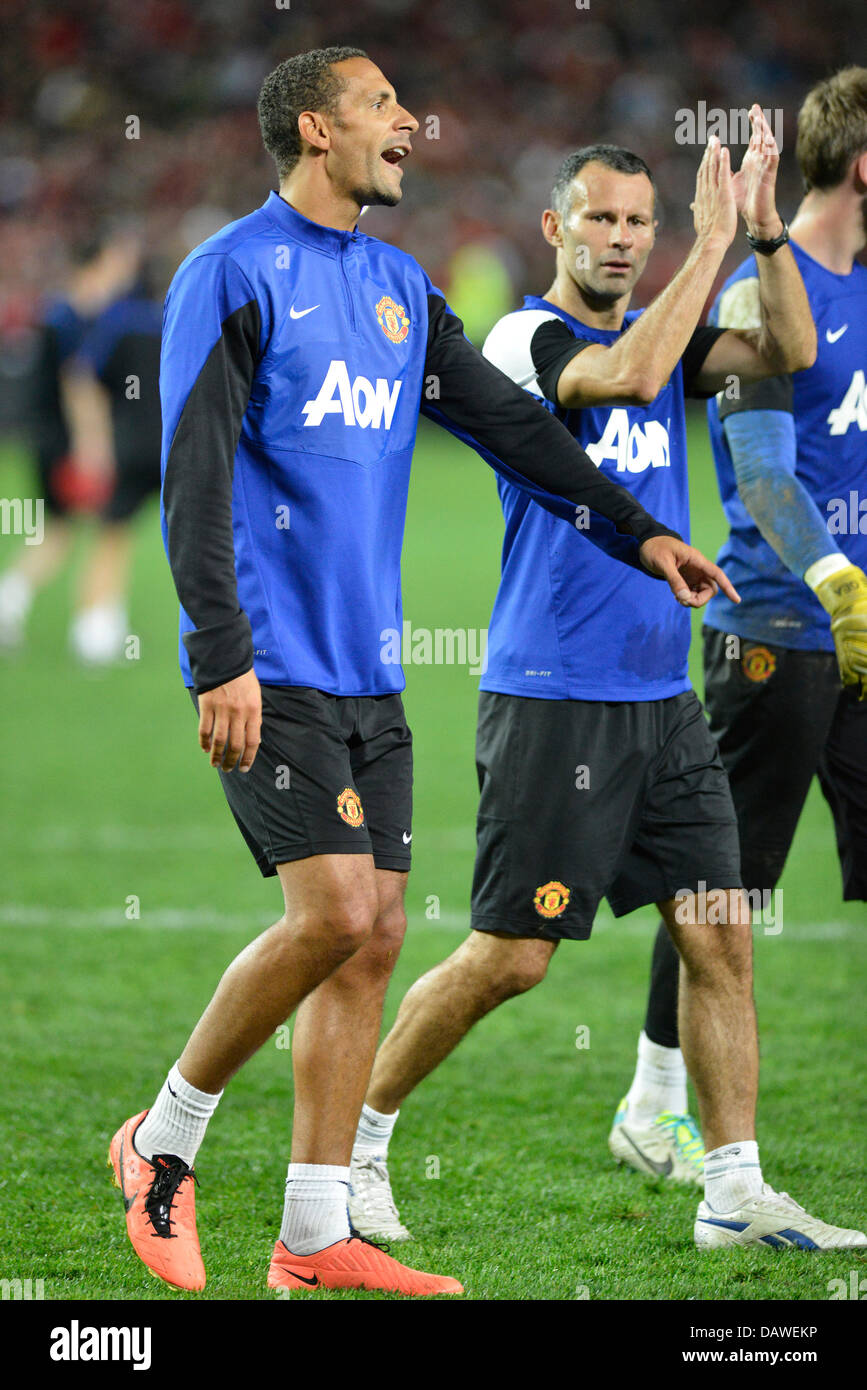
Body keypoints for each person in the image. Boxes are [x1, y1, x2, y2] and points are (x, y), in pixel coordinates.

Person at [107, 47, 727, 1298]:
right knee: (332, 913)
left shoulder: (398, 287)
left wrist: (635, 527)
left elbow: (514, 428)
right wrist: (216, 655)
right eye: (382, 106)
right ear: (311, 128)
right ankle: (161, 1139)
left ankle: (312, 1231)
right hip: (268, 664)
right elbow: (195, 478)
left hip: (370, 673)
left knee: (376, 937)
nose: (408, 123)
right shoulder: (229, 273)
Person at [348, 114, 866, 1252]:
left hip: (662, 697)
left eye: (642, 222)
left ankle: (732, 1189)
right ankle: (357, 1141)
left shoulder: (663, 320)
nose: (626, 240)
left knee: (720, 933)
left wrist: (768, 240)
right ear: (555, 227)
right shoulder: (519, 339)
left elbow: (786, 352)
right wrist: (709, 245)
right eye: (605, 219)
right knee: (511, 959)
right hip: (552, 694)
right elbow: (630, 381)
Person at [614, 66, 867, 1186]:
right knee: (725, 884)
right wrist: (836, 579)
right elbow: (763, 474)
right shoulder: (760, 292)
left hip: (859, 624)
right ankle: (652, 1096)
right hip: (780, 624)